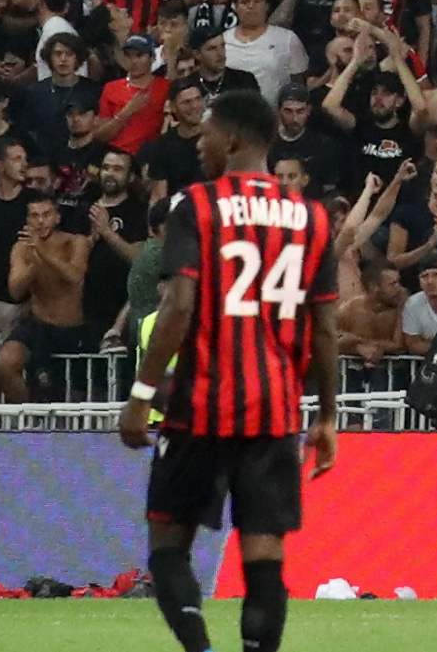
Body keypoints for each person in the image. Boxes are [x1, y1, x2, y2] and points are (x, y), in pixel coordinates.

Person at [119, 87, 337, 652]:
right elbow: (326, 328)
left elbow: (179, 306)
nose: (199, 142)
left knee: (167, 543)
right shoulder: (311, 219)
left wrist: (143, 392)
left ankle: (200, 649)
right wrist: (328, 416)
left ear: (234, 138)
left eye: (208, 132)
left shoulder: (196, 204)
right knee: (265, 560)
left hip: (202, 404)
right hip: (275, 411)